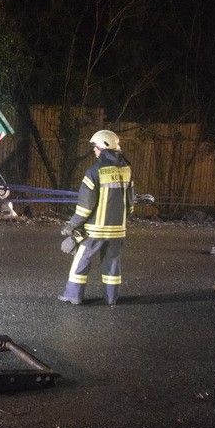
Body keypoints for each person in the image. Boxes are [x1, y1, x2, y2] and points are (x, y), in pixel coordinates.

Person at [58, 129, 135, 306]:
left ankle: (73, 295)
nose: (94, 150)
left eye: (95, 147)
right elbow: (130, 203)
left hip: (95, 231)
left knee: (81, 261)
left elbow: (85, 206)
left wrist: (72, 225)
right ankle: (111, 298)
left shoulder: (94, 172)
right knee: (112, 264)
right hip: (117, 230)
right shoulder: (127, 170)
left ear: (104, 147)